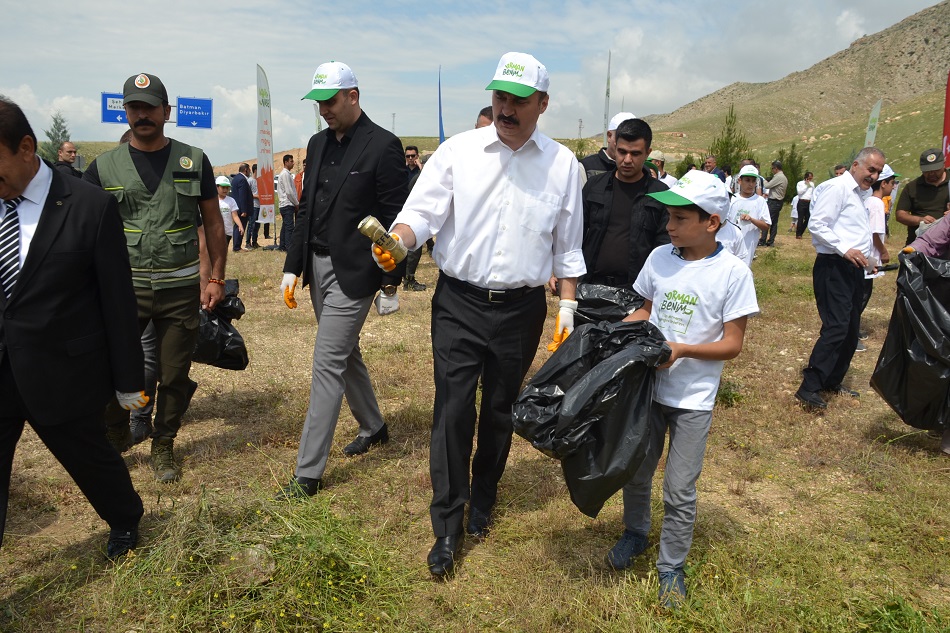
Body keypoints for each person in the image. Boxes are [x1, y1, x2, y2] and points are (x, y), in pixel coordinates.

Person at [378, 51, 585, 578]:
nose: (507, 108)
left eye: (519, 100)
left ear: (543, 104)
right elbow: (419, 215)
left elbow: (568, 246)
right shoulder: (459, 152)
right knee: (452, 410)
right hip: (459, 304)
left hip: (521, 310)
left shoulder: (563, 165)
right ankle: (447, 524)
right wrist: (397, 242)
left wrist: (567, 305)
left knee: (499, 410)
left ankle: (484, 495)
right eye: (500, 97)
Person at [0, 96, 147, 559]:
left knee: (89, 458)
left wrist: (128, 380)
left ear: (26, 148)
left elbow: (117, 300)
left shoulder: (89, 206)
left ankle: (125, 518)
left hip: (61, 369)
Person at [607, 170, 758, 609]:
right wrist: (610, 333)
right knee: (637, 471)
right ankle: (635, 532)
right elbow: (646, 310)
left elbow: (732, 344)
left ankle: (671, 566)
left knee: (679, 488)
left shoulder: (732, 273)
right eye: (668, 217)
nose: (669, 226)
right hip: (648, 391)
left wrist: (683, 350)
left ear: (712, 222)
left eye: (679, 218)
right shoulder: (660, 258)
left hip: (692, 400)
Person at [83, 72, 227, 482]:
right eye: (134, 107)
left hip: (180, 290)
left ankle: (163, 444)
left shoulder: (193, 160)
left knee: (174, 374)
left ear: (166, 111)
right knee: (112, 369)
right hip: (123, 290)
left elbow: (213, 222)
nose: (141, 114)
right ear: (125, 112)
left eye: (149, 107)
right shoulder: (103, 167)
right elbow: (84, 227)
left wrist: (216, 278)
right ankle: (117, 431)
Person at [276, 60, 408, 500]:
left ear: (353, 96)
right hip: (316, 268)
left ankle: (307, 474)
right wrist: (292, 267)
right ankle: (374, 426)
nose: (324, 110)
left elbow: (397, 218)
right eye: (318, 103)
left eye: (330, 101)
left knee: (327, 361)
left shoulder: (383, 145)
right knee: (345, 353)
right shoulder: (316, 144)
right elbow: (306, 211)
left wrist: (390, 278)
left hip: (355, 271)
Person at [794, 147, 885, 411]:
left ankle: (832, 380)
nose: (873, 175)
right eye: (871, 169)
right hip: (834, 266)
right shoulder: (837, 188)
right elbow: (818, 224)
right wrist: (845, 250)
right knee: (836, 327)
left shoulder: (860, 194)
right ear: (855, 165)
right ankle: (809, 386)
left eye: (878, 172)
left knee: (851, 329)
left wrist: (868, 261)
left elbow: (853, 231)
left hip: (853, 267)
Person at [573, 118, 669, 294]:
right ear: (615, 147)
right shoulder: (595, 186)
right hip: (589, 288)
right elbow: (575, 234)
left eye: (635, 153)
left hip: (637, 293)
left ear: (648, 153)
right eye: (622, 152)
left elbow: (664, 247)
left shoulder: (661, 194)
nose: (627, 159)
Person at [855, 164, 894, 353]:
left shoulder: (867, 200)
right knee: (862, 295)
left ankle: (853, 328)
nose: (893, 187)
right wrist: (884, 252)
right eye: (892, 183)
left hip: (863, 255)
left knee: (860, 292)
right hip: (870, 257)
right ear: (883, 183)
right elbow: (875, 233)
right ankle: (850, 334)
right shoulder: (877, 204)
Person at [894, 149, 950, 246]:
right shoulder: (912, 187)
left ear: (943, 164)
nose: (931, 173)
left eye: (936, 170)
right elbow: (900, 215)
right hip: (919, 244)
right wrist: (920, 220)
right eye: (927, 171)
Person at [727, 164, 771, 267]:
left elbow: (766, 225)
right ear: (739, 181)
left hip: (748, 245)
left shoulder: (760, 201)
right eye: (747, 180)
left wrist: (752, 219)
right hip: (730, 244)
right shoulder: (732, 199)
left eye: (753, 181)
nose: (750, 184)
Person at [580, 111, 636, 179]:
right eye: (622, 137)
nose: (627, 143)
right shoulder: (586, 167)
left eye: (633, 138)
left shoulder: (643, 171)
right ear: (609, 136)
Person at [760, 160, 787, 246]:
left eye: (772, 168)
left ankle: (763, 240)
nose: (772, 170)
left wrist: (764, 180)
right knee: (774, 222)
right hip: (778, 201)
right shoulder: (783, 177)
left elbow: (767, 186)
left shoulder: (779, 177)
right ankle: (771, 241)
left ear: (776, 168)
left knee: (767, 220)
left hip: (774, 201)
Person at [229, 163, 253, 253]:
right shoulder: (242, 179)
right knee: (240, 227)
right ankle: (237, 247)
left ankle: (236, 246)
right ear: (246, 170)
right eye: (249, 170)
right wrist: (244, 210)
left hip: (236, 207)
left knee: (237, 226)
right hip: (241, 209)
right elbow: (242, 196)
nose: (250, 171)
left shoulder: (236, 178)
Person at [276, 154, 298, 252]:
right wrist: (296, 203)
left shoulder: (286, 174)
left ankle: (282, 246)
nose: (293, 163)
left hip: (285, 204)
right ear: (286, 162)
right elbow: (289, 192)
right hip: (287, 204)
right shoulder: (285, 174)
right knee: (289, 227)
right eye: (291, 161)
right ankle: (289, 247)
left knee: (285, 226)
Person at [216, 175, 242, 247]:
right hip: (215, 231)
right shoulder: (213, 201)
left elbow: (235, 215)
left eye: (227, 188)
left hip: (227, 231)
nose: (225, 190)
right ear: (217, 187)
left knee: (223, 249)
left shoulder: (231, 201)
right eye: (223, 187)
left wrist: (240, 226)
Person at [795, 171, 815, 239]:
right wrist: (806, 186)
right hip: (802, 201)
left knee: (808, 218)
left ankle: (801, 232)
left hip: (809, 202)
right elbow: (799, 192)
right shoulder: (800, 183)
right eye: (809, 178)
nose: (810, 180)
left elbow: (813, 193)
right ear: (806, 178)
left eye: (811, 178)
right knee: (800, 218)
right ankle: (798, 234)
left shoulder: (812, 184)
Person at [246, 163, 261, 248]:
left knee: (257, 225)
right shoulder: (250, 181)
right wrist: (256, 196)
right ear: (255, 170)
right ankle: (248, 242)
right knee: (251, 224)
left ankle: (254, 241)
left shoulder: (259, 180)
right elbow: (248, 194)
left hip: (260, 206)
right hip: (253, 205)